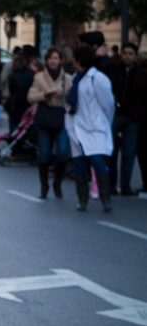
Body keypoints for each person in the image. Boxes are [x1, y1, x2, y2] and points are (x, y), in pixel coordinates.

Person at [65, 45, 115, 212]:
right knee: (79, 162)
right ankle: (82, 199)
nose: (72, 61)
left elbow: (108, 104)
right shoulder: (75, 77)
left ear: (79, 60)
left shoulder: (98, 78)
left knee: (97, 161)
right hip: (77, 125)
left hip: (94, 126)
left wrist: (103, 122)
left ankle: (105, 198)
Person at [27, 47, 72, 199]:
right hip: (44, 117)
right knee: (44, 154)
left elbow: (73, 98)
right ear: (46, 60)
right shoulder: (39, 77)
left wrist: (62, 93)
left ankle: (57, 183)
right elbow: (31, 97)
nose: (53, 61)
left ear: (61, 60)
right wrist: (44, 94)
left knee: (62, 152)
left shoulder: (68, 79)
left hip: (61, 117)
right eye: (50, 58)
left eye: (56, 58)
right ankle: (44, 186)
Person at [106, 42, 147, 196]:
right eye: (125, 53)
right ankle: (111, 184)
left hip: (132, 119)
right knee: (112, 151)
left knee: (129, 153)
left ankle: (125, 185)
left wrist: (139, 114)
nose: (127, 56)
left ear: (135, 56)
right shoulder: (114, 71)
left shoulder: (142, 75)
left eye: (130, 53)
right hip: (116, 116)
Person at [6, 55, 35, 134]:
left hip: (16, 104)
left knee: (15, 126)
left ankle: (14, 138)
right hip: (28, 103)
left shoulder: (12, 76)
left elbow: (11, 90)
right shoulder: (31, 73)